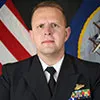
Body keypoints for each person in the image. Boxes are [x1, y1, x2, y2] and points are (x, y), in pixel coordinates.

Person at [0, 1, 100, 100]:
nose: (47, 32)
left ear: (66, 34)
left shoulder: (93, 73)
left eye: (54, 25)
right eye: (40, 26)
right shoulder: (11, 75)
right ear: (32, 36)